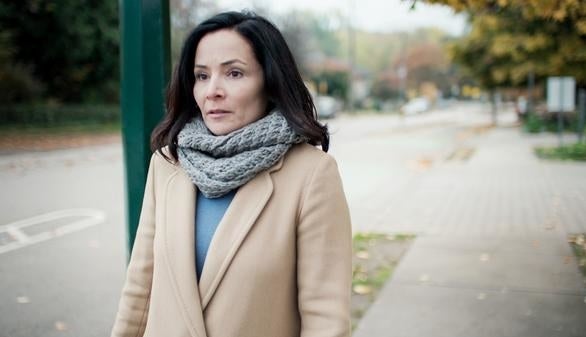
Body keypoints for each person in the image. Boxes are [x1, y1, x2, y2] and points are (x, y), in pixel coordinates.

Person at [110, 11, 352, 337]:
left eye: (234, 73)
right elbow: (140, 287)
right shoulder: (168, 163)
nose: (213, 90)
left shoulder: (311, 175)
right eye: (201, 76)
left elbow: (325, 320)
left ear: (269, 82)